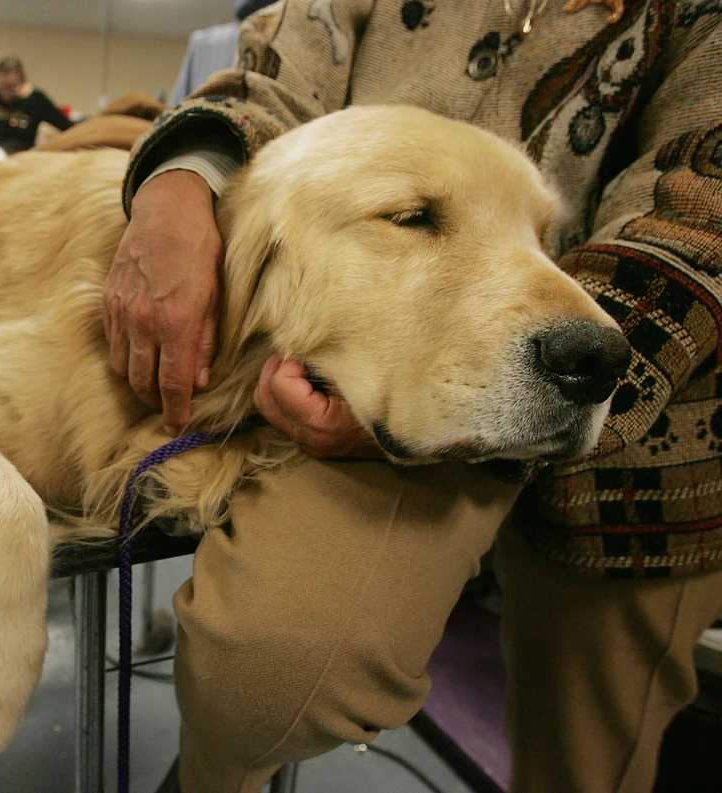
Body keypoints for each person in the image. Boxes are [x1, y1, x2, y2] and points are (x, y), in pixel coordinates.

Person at [100, 1, 722, 792]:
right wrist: (179, 183)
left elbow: (702, 206)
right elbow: (269, 89)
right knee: (271, 669)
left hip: (650, 441)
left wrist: (560, 343)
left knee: (590, 761)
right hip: (376, 386)